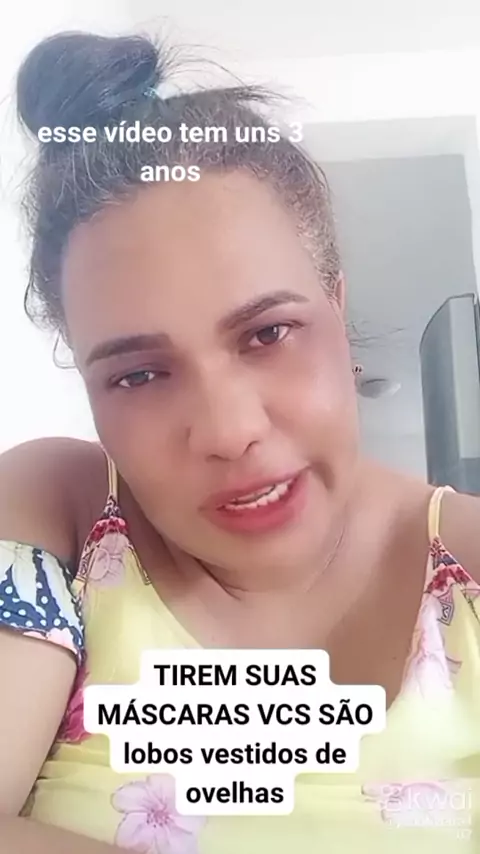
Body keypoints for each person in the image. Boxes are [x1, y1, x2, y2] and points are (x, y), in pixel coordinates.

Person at [0, 29, 479, 854]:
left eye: (267, 333)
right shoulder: (61, 513)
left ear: (337, 308)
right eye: (138, 375)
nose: (227, 432)